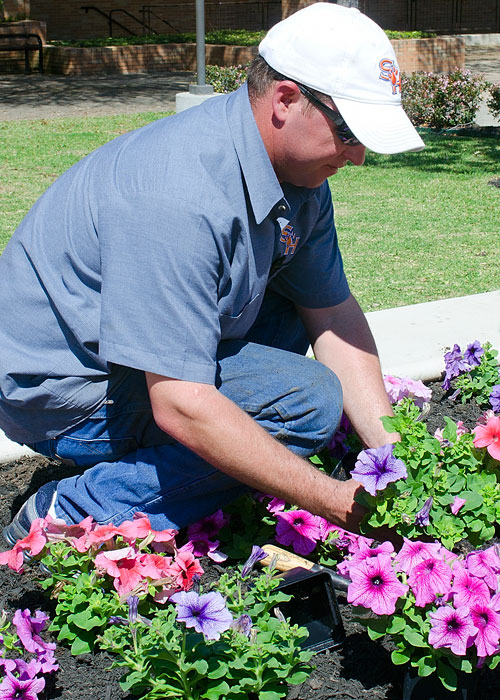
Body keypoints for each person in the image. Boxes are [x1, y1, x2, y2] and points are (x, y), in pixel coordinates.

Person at [0, 2, 424, 546]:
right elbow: (180, 401)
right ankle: (74, 509)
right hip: (64, 389)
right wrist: (329, 500)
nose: (359, 155)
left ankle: (167, 472)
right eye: (349, 131)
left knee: (294, 316)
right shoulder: (178, 193)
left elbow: (332, 313)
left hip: (121, 351)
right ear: (286, 100)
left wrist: (392, 454)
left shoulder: (299, 176)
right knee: (306, 404)